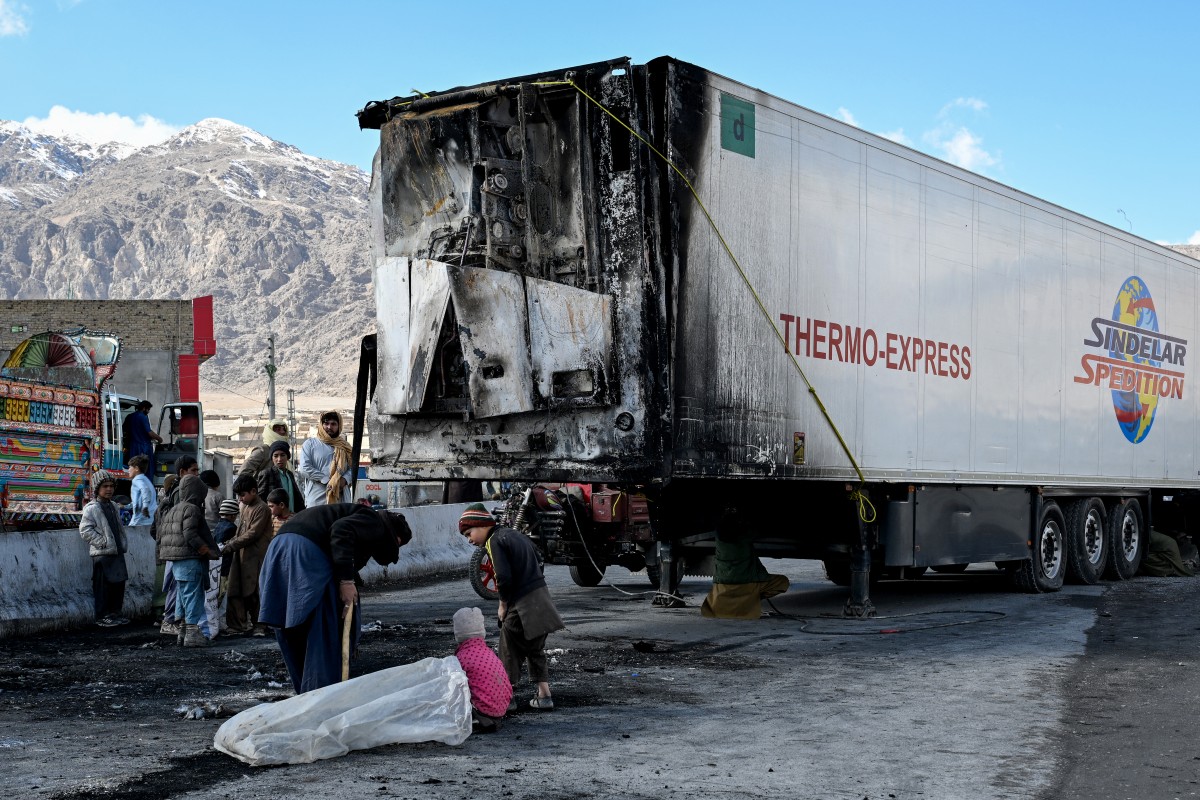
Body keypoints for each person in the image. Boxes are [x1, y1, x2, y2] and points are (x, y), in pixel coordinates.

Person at [258, 503, 412, 693]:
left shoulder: (351, 517)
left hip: (279, 549)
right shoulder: (374, 521)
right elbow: (341, 530)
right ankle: (320, 694)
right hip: (306, 551)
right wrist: (346, 582)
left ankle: (304, 694)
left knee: (291, 624)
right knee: (325, 623)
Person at [459, 503, 563, 711]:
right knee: (535, 647)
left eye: (469, 533)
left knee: (508, 648)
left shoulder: (494, 541)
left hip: (521, 602)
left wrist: (503, 605)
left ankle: (505, 698)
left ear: (482, 525)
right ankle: (545, 696)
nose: (469, 540)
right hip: (541, 598)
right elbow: (539, 559)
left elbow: (504, 578)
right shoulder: (515, 535)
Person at [155, 474, 220, 647]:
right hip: (191, 560)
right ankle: (192, 633)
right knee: (193, 595)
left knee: (183, 596)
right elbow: (190, 534)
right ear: (197, 492)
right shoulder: (191, 509)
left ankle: (183, 632)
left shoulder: (173, 510)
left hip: (176, 562)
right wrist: (206, 550)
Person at [700, 517, 790, 620]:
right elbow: (755, 531)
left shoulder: (720, 541)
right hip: (747, 582)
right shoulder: (745, 537)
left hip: (722, 584)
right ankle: (748, 601)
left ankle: (746, 600)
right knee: (783, 582)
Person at [152, 455, 200, 636]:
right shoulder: (181, 493)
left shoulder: (172, 494)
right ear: (182, 472)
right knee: (175, 586)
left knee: (176, 586)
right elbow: (184, 525)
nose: (196, 474)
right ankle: (170, 620)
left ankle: (174, 621)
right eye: (193, 470)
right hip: (178, 549)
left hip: (171, 547)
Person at [78, 470, 130, 627]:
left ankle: (115, 613)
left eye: (111, 486)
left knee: (118, 584)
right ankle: (102, 616)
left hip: (117, 552)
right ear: (97, 488)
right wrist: (102, 542)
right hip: (102, 554)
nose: (109, 489)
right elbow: (85, 530)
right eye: (105, 486)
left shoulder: (113, 506)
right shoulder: (92, 508)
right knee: (103, 586)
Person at [223, 474, 273, 636]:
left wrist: (231, 545)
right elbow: (241, 531)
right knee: (235, 589)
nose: (240, 499)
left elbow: (253, 534)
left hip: (256, 557)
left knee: (254, 592)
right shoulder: (244, 507)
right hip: (241, 555)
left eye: (242, 495)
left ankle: (259, 625)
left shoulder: (262, 508)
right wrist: (230, 543)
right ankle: (237, 625)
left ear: (253, 491)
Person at [452, 606, 512, 732]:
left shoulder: (462, 657)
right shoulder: (488, 653)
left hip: (483, 709)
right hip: (501, 708)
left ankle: (479, 719)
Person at [297, 410, 353, 507]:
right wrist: (327, 480)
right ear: (321, 425)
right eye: (326, 423)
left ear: (339, 426)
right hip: (317, 498)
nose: (329, 427)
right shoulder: (310, 444)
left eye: (333, 424)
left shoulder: (345, 446)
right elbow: (304, 468)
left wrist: (344, 479)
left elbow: (353, 467)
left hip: (341, 498)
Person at [258, 441, 305, 514]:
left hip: (291, 516)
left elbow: (296, 498)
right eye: (276, 456)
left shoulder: (289, 474)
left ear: (287, 457)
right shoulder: (267, 473)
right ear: (272, 458)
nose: (279, 459)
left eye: (282, 455)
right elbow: (261, 500)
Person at [125, 400, 162, 477]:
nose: (148, 412)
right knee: (146, 470)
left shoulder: (129, 417)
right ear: (144, 408)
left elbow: (124, 429)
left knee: (134, 468)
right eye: (148, 409)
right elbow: (149, 432)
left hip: (133, 447)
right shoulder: (143, 417)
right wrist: (159, 438)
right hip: (144, 447)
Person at [127, 454, 157, 527]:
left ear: (136, 468)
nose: (128, 470)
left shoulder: (137, 479)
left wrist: (145, 507)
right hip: (151, 520)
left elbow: (145, 489)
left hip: (140, 521)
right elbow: (138, 501)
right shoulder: (147, 480)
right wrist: (125, 506)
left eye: (130, 467)